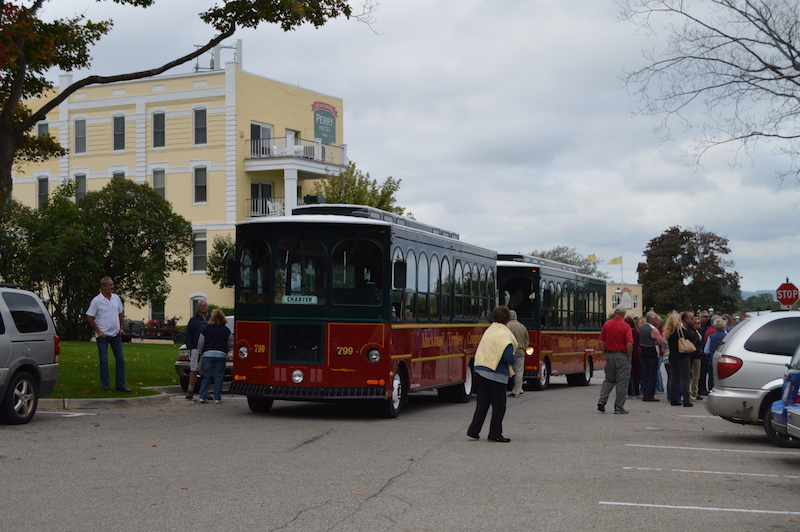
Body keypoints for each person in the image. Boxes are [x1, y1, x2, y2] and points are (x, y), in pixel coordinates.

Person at [467, 306, 517, 442]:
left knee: (482, 403)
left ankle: (474, 430)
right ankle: (494, 433)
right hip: (496, 373)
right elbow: (508, 357)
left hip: (480, 369)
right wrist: (515, 360)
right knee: (499, 405)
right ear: (508, 319)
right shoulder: (505, 335)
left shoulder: (489, 331)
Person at [86, 276, 130, 392]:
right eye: (109, 285)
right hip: (103, 336)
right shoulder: (97, 300)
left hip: (116, 335)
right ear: (103, 287)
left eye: (112, 285)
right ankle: (106, 386)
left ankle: (120, 385)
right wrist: (98, 331)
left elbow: (120, 313)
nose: (112, 287)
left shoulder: (116, 298)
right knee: (104, 361)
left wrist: (121, 327)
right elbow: (89, 317)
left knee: (120, 360)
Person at [597, 304, 634, 414]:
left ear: (615, 313)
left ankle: (602, 400)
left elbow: (601, 341)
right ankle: (618, 406)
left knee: (609, 379)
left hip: (609, 354)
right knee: (622, 381)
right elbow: (629, 344)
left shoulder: (607, 324)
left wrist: (605, 353)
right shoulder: (625, 326)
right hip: (621, 355)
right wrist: (629, 356)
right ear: (624, 314)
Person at [197, 310, 233, 404]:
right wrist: (227, 351)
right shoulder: (226, 330)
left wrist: (201, 352)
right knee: (219, 376)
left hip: (207, 354)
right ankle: (217, 398)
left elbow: (201, 342)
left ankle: (202, 396)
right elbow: (230, 343)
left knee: (206, 376)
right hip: (221, 354)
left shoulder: (206, 328)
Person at [665, 311, 693, 407]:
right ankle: (686, 400)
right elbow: (692, 338)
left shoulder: (668, 332)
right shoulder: (681, 331)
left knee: (674, 378)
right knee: (685, 379)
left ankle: (673, 399)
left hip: (672, 356)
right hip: (682, 356)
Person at [184, 299, 210, 400]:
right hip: (195, 349)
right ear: (198, 307)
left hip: (207, 349)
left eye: (205, 305)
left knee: (206, 371)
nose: (203, 307)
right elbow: (188, 335)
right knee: (193, 370)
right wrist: (190, 348)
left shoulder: (212, 319)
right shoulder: (193, 320)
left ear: (208, 307)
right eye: (201, 305)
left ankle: (206, 392)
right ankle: (190, 391)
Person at [639, 311, 662, 402]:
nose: (658, 321)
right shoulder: (654, 330)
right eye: (656, 319)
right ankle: (650, 395)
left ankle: (645, 393)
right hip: (652, 352)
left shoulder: (642, 328)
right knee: (652, 374)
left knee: (646, 374)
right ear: (652, 320)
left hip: (643, 352)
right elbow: (660, 341)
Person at [507, 310, 529, 398]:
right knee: (519, 372)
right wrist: (523, 347)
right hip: (520, 351)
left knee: (507, 370)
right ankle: (517, 391)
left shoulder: (507, 326)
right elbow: (527, 340)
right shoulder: (522, 326)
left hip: (510, 351)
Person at [626, 315, 642, 398]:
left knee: (627, 374)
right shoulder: (636, 332)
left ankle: (628, 392)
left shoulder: (625, 332)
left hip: (627, 353)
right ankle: (636, 391)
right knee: (636, 374)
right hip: (636, 354)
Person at [690, 316, 704, 400]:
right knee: (696, 374)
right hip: (695, 355)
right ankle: (694, 391)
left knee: (696, 374)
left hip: (698, 354)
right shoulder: (693, 333)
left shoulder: (697, 332)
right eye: (698, 323)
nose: (700, 324)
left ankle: (694, 390)